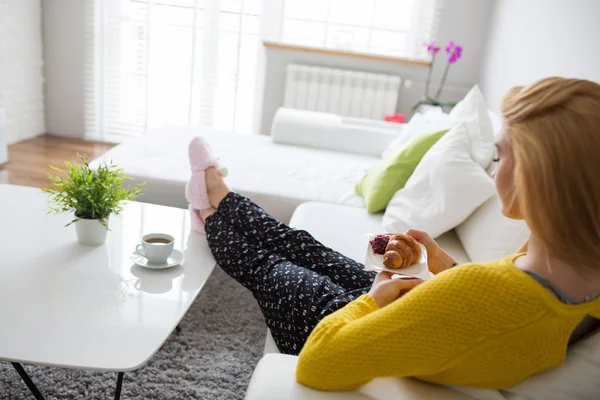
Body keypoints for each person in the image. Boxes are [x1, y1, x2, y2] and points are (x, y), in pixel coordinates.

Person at [190, 77, 600, 391]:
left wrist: (371, 301)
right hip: (410, 320)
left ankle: (209, 215)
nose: (495, 170)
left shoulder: (487, 288)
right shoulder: (577, 274)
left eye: (501, 155)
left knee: (270, 266)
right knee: (304, 246)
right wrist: (443, 267)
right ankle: (222, 199)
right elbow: (493, 311)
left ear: (541, 176)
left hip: (343, 329)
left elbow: (319, 362)